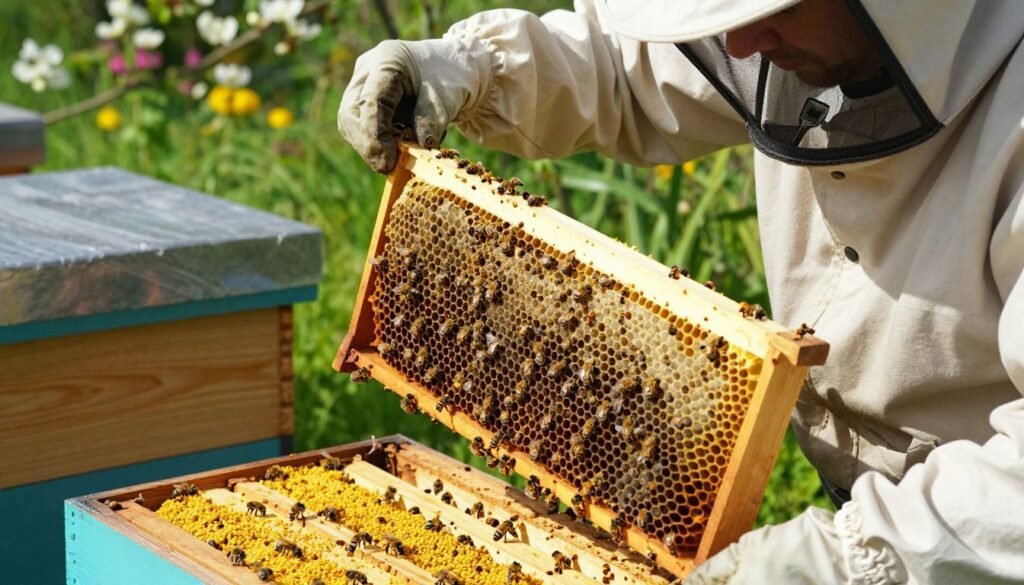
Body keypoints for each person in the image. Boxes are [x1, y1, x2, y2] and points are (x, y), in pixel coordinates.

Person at [338, 0, 1024, 582]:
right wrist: (474, 68)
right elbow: (629, 66)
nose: (738, 41)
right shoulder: (793, 33)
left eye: (769, 8)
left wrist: (845, 559)